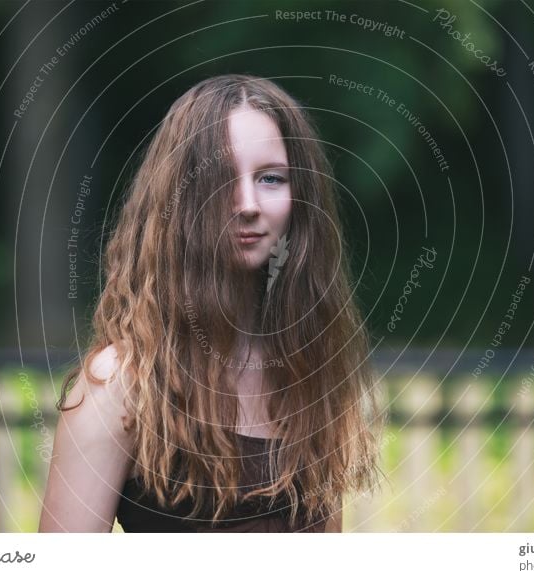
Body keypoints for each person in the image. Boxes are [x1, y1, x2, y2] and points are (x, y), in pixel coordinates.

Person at [38, 74, 385, 533]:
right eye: (222, 179)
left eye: (271, 178)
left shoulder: (310, 367)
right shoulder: (123, 383)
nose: (247, 203)